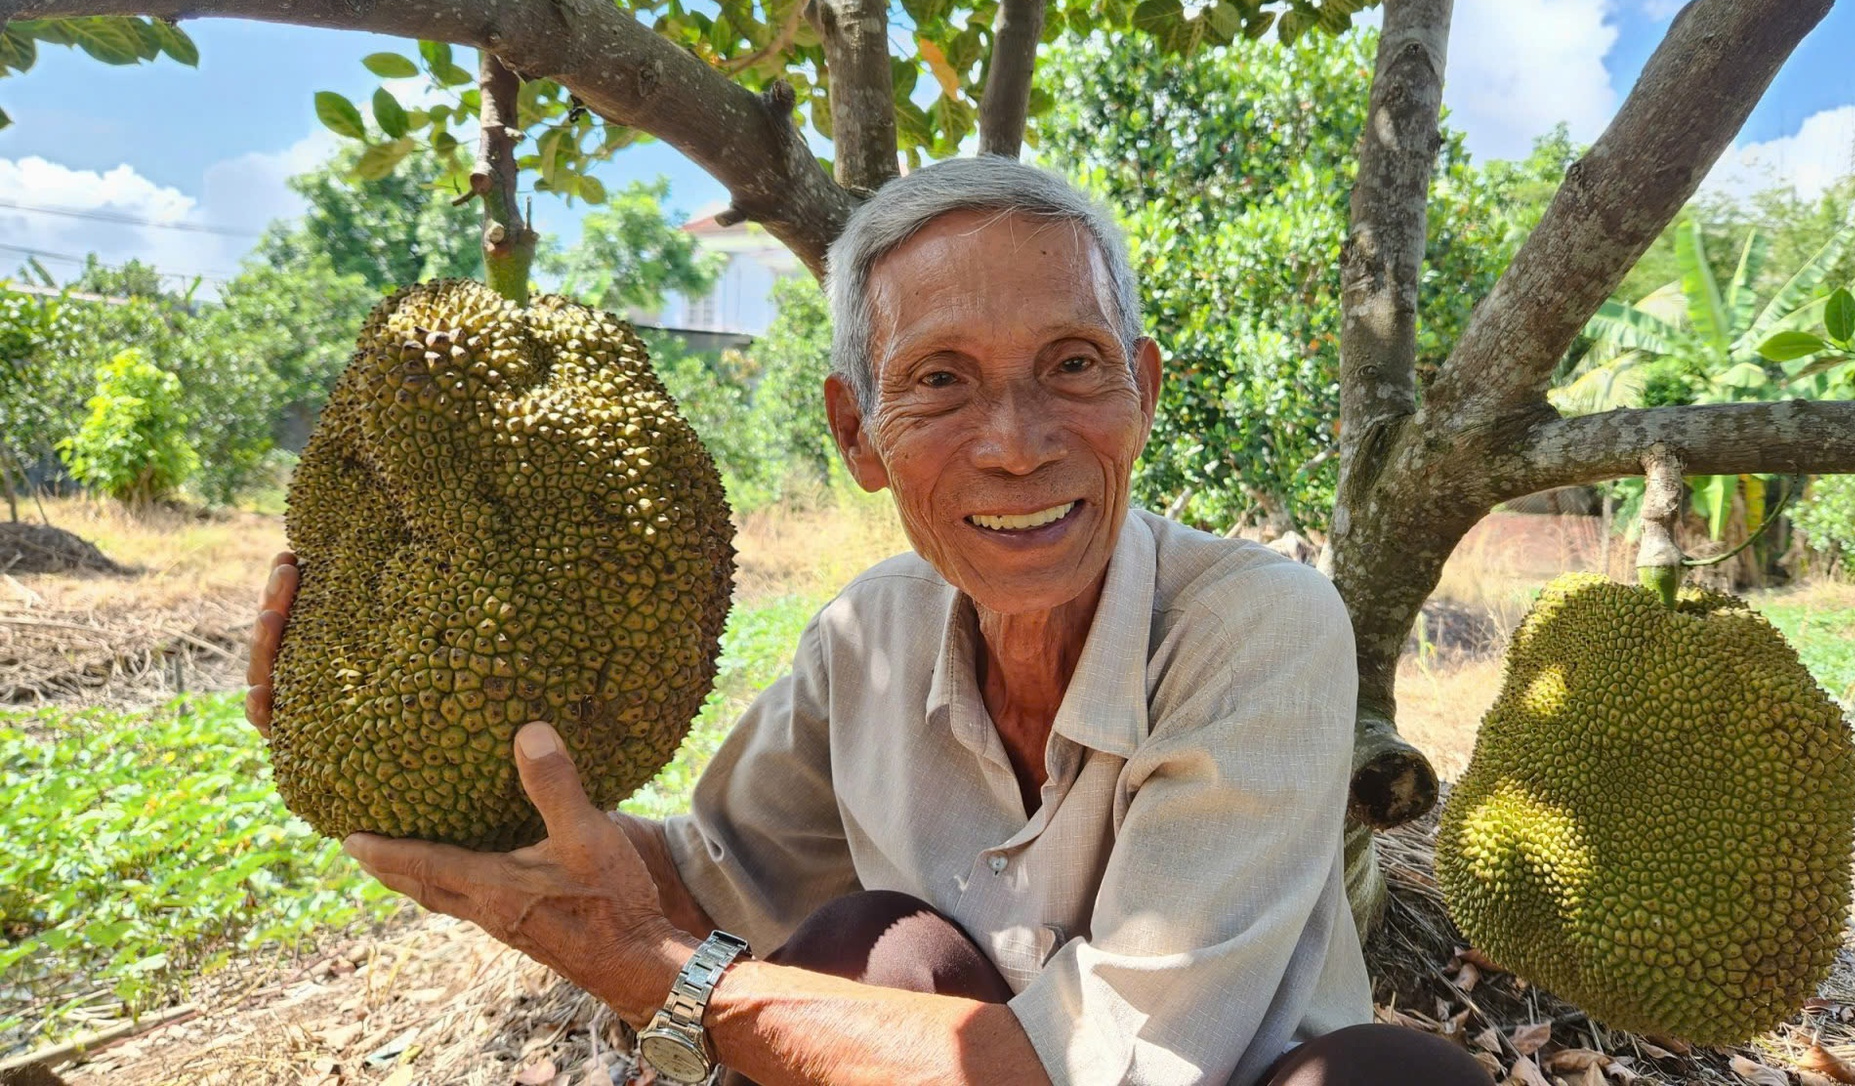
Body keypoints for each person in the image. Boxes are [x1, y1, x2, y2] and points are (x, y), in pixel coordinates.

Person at [244, 157, 1491, 1086]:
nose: (1014, 445)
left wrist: (660, 984)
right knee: (862, 946)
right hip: (966, 1059)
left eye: (1070, 364)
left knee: (1390, 1082)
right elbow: (698, 880)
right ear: (856, 435)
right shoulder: (868, 637)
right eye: (939, 381)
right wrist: (399, 768)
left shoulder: (1257, 626)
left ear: (1142, 390)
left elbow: (1114, 1066)